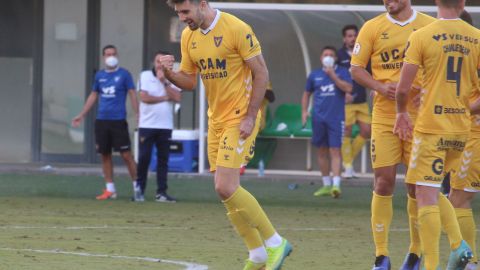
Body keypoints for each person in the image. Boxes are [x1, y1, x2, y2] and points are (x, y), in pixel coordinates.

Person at [161, 1, 292, 270]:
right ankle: (257, 254)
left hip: (240, 116)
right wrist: (169, 74)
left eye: (186, 11)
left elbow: (261, 73)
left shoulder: (236, 28)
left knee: (225, 186)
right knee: (224, 191)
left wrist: (250, 116)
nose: (183, 18)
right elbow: (188, 80)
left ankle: (276, 242)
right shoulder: (189, 36)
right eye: (178, 13)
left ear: (202, 4)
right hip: (216, 119)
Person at [350, 1, 436, 269]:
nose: (389, 2)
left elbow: (439, 68)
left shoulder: (428, 26)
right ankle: (381, 255)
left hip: (420, 118)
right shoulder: (372, 27)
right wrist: (378, 86)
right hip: (385, 117)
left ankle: (415, 252)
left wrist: (428, 91)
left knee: (416, 185)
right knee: (383, 181)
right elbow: (356, 69)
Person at [394, 0, 479, 268]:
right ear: (463, 3)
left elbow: (403, 89)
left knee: (426, 193)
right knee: (443, 192)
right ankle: (458, 247)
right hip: (461, 130)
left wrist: (400, 113)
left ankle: (433, 263)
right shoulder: (477, 38)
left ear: (435, 2)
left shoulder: (421, 35)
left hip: (432, 127)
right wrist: (464, 108)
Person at [72, 45, 140, 200]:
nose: (111, 56)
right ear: (103, 57)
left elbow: (132, 94)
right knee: (105, 154)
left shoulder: (124, 74)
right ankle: (110, 189)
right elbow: (93, 95)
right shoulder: (99, 76)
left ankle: (138, 187)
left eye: (113, 54)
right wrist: (81, 114)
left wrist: (138, 113)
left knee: (126, 155)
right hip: (102, 120)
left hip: (118, 121)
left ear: (117, 55)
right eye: (108, 54)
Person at [448, 9, 479, 270]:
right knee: (454, 197)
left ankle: (469, 263)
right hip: (462, 134)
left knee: (458, 199)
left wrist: (461, 108)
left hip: (475, 136)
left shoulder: (475, 48)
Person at [303, 46, 352, 198]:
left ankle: (336, 186)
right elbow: (306, 93)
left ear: (336, 58)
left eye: (331, 55)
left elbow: (348, 88)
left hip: (336, 119)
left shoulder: (342, 72)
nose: (328, 57)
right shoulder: (314, 75)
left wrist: (333, 75)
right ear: (321, 57)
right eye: (326, 54)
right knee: (322, 151)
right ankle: (326, 185)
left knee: (335, 150)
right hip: (318, 118)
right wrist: (304, 111)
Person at [135, 50, 182, 202]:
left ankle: (161, 193)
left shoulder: (175, 77)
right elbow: (144, 97)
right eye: (157, 61)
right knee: (144, 158)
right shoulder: (145, 76)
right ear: (153, 63)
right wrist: (164, 97)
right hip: (147, 125)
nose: (159, 65)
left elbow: (177, 97)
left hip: (165, 126)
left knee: (163, 160)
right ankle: (139, 191)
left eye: (163, 62)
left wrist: (165, 82)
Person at [337, 24, 371, 179]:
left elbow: (370, 73)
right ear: (344, 38)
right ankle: (349, 166)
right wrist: (342, 92)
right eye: (349, 36)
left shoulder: (363, 53)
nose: (353, 38)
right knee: (347, 132)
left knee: (367, 131)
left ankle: (347, 161)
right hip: (346, 103)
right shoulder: (339, 55)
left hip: (361, 100)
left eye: (355, 35)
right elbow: (334, 78)